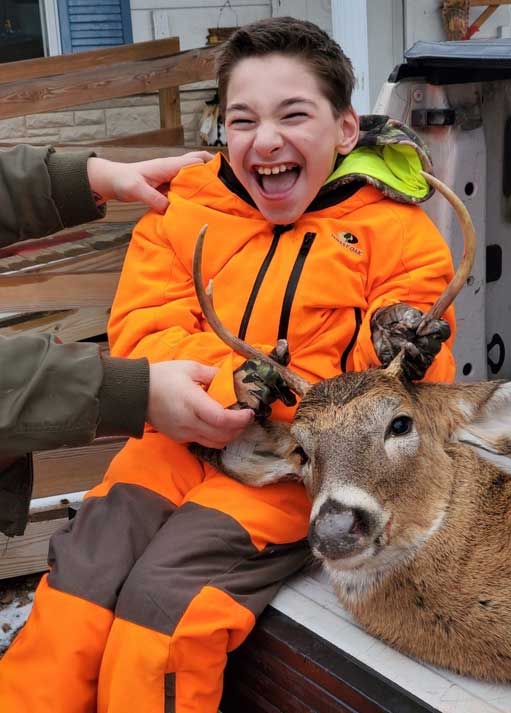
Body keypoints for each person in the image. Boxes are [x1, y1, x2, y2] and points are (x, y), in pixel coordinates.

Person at [0, 18, 455, 712]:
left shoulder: (399, 234)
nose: (263, 139)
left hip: (291, 468)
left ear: (342, 129)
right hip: (172, 443)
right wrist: (225, 380)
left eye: (292, 115)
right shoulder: (188, 209)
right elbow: (143, 324)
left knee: (165, 601)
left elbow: (408, 389)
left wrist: (405, 352)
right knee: (78, 580)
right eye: (241, 119)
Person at [0, 145, 254, 536]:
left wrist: (92, 177)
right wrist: (134, 392)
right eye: (244, 119)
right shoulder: (171, 229)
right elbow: (146, 330)